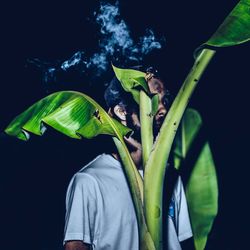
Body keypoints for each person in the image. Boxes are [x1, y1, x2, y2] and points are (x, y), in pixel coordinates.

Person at [63, 66, 193, 250]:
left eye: (165, 100)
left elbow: (184, 242)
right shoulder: (89, 180)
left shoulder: (170, 175)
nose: (163, 109)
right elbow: (75, 246)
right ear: (121, 111)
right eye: (153, 100)